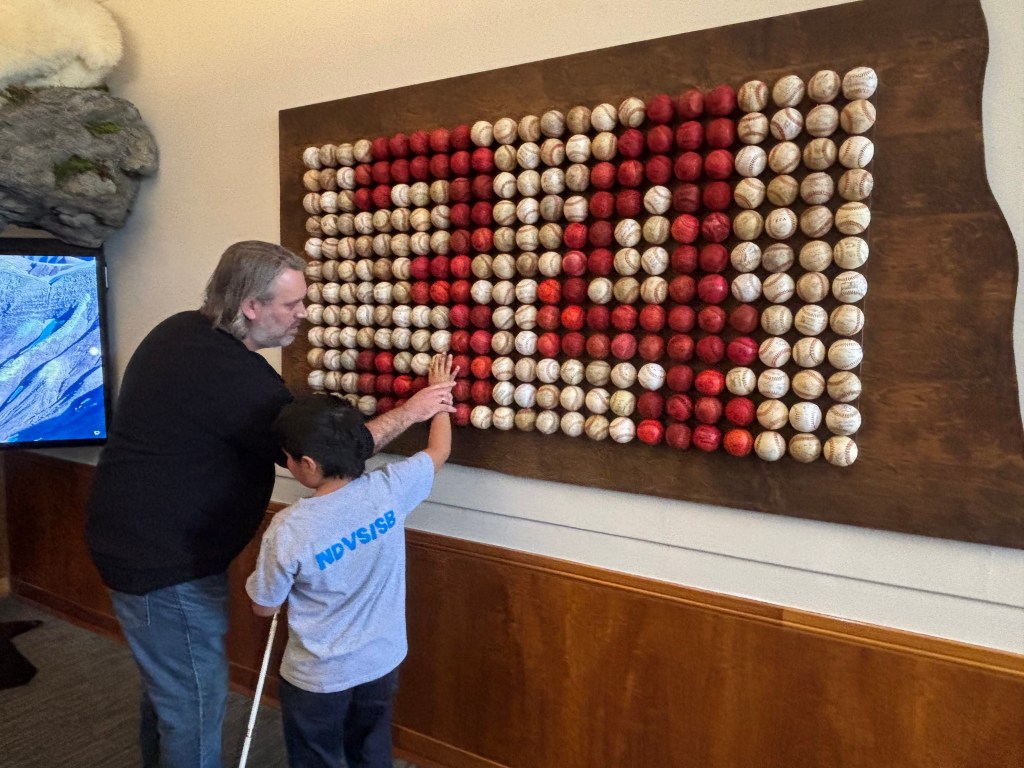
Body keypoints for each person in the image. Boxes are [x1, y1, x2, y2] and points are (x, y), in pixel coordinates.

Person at [84, 240, 455, 768]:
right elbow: (334, 453)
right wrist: (415, 410)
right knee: (193, 704)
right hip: (160, 564)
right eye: (292, 304)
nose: (304, 313)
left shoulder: (184, 331)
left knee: (172, 691)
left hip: (149, 546)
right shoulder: (234, 376)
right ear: (250, 307)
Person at [245, 352, 455, 768]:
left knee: (318, 758)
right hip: (381, 662)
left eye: (286, 457)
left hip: (317, 680)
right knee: (372, 751)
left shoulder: (289, 528)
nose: (287, 464)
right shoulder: (391, 489)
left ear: (307, 464)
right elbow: (440, 450)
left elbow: (262, 605)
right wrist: (441, 394)